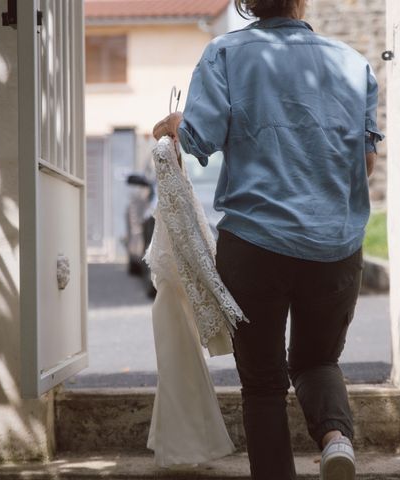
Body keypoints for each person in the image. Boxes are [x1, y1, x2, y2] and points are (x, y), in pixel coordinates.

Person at [153, 0, 384, 479]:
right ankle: (335, 439)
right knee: (318, 359)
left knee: (262, 385)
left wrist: (171, 125)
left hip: (255, 245)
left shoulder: (225, 54)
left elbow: (200, 138)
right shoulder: (352, 62)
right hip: (335, 246)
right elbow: (364, 165)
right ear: (302, 1)